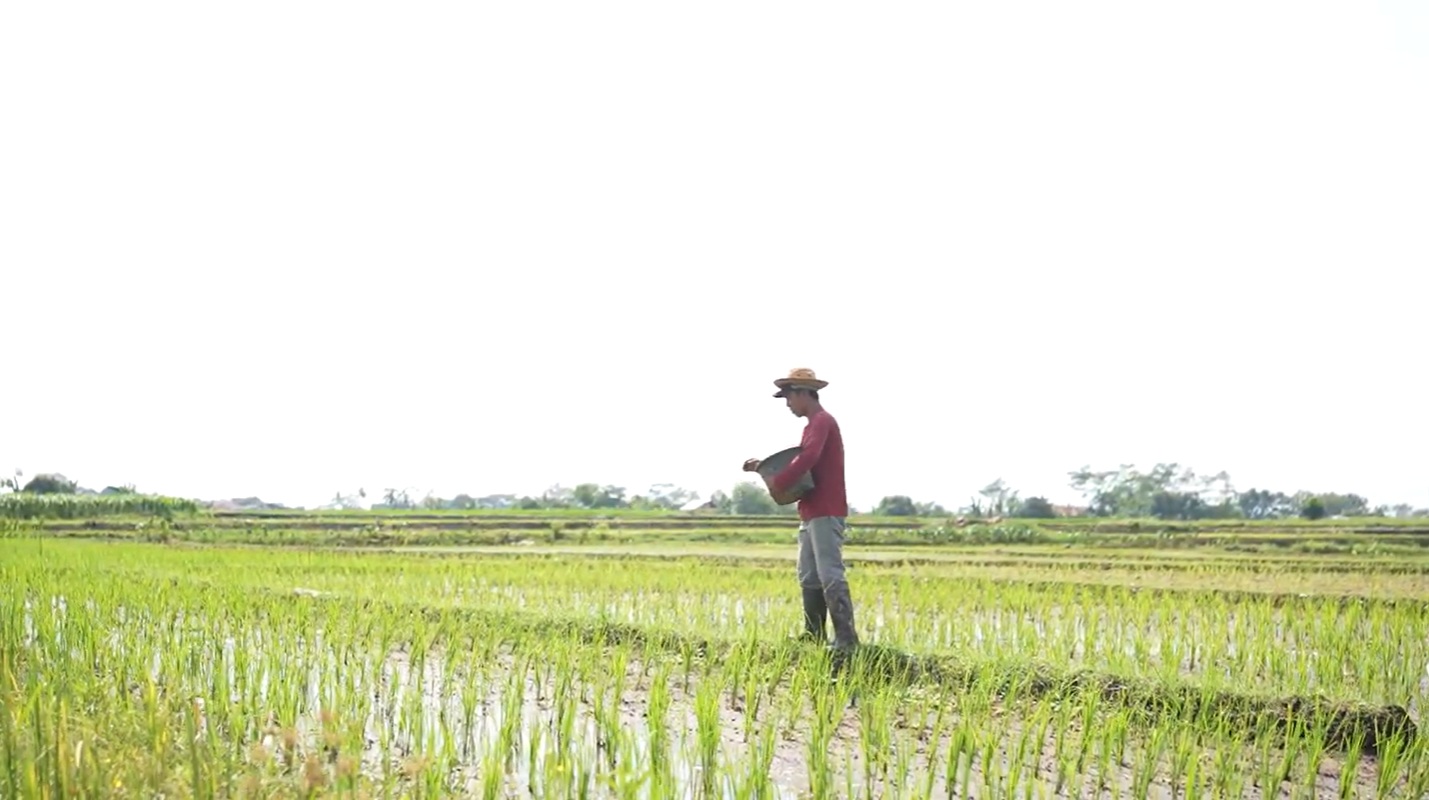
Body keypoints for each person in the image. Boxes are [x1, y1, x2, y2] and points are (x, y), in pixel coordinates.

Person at [743, 367, 859, 652]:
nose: (788, 404)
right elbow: (802, 459)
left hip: (826, 508)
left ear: (803, 393)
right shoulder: (811, 426)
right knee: (808, 574)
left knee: (830, 572)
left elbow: (808, 458)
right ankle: (813, 634)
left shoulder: (822, 421)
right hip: (810, 510)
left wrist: (779, 482)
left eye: (789, 398)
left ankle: (846, 639)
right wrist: (762, 467)